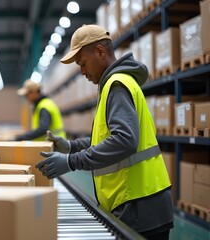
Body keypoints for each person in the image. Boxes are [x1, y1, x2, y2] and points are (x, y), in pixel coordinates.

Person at [35, 24, 174, 240]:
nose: (82, 71)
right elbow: (106, 138)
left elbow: (125, 140)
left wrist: (72, 161)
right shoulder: (112, 84)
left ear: (100, 52)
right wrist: (72, 146)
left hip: (140, 203)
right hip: (136, 199)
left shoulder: (116, 86)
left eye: (82, 63)